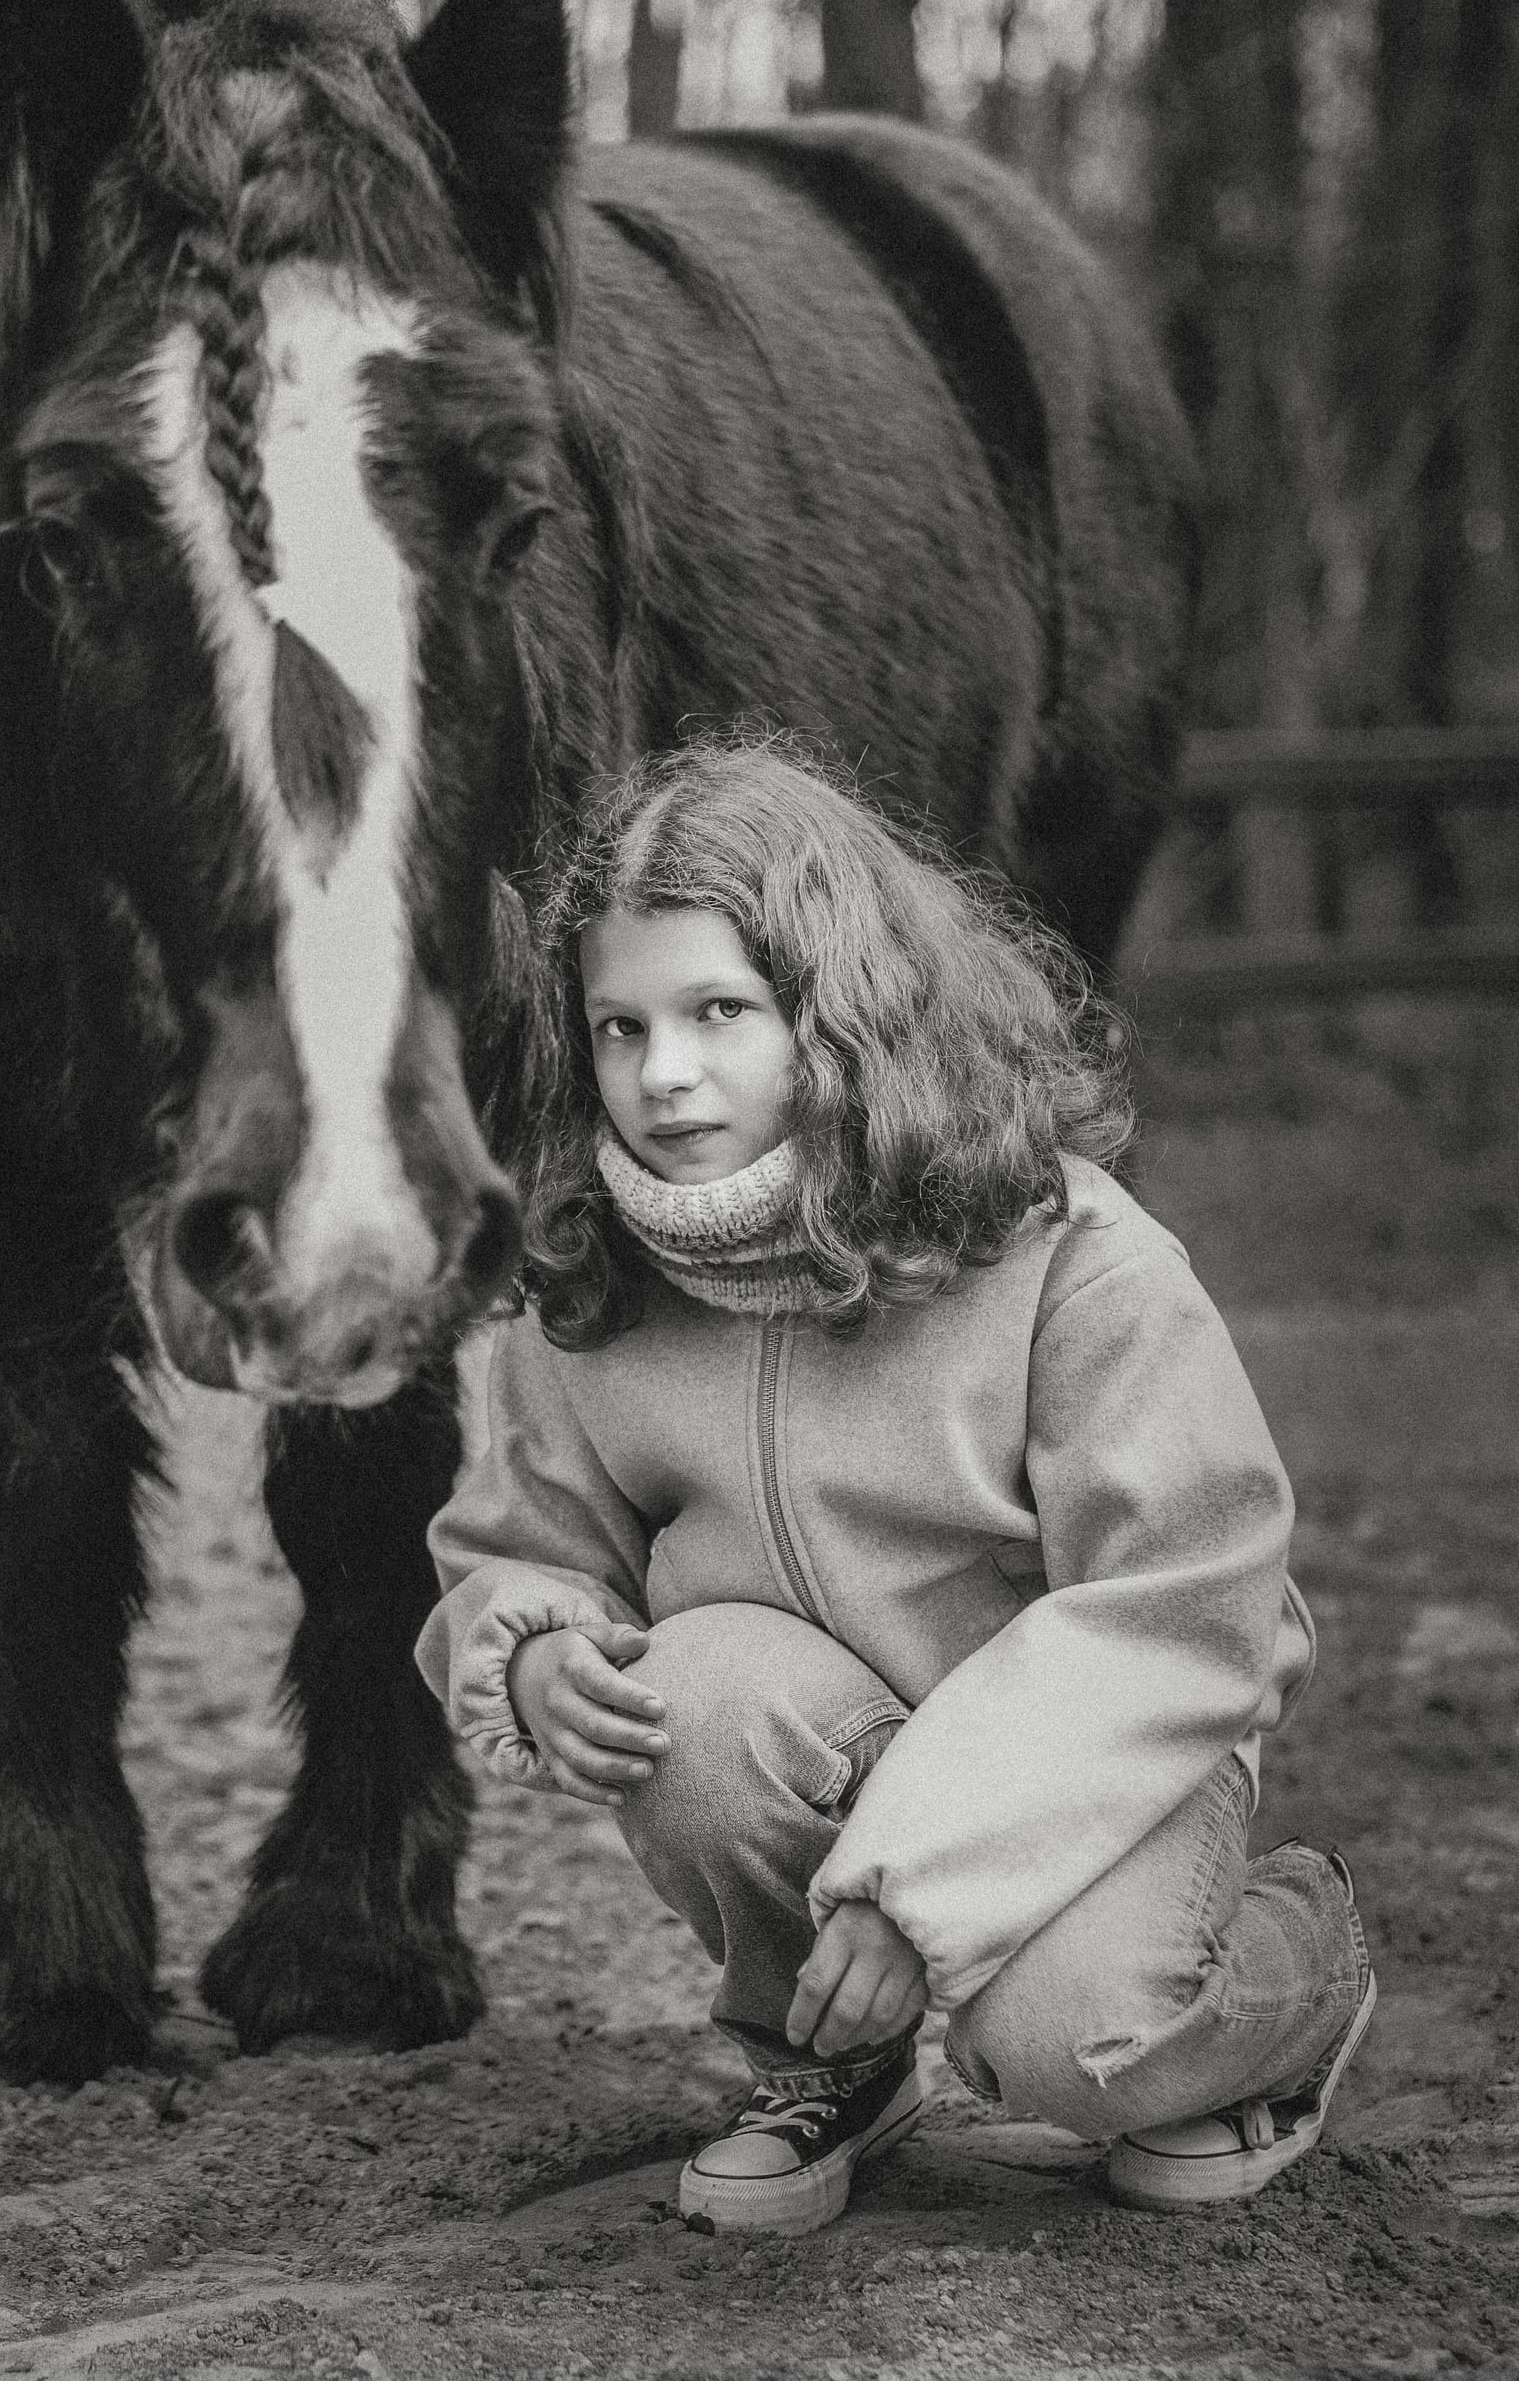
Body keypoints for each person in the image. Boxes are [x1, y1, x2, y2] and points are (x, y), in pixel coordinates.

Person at [416, 736, 1375, 2236]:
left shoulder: (1071, 1255)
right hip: (819, 1740)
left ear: (838, 1008)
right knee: (689, 1692)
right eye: (620, 1026)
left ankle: (1287, 1969)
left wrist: (921, 1876)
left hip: (1097, 1755)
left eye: (719, 1012)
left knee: (1077, 2049)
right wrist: (531, 1649)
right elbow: (523, 1545)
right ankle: (829, 2061)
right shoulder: (590, 1275)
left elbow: (1188, 1608)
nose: (663, 1075)